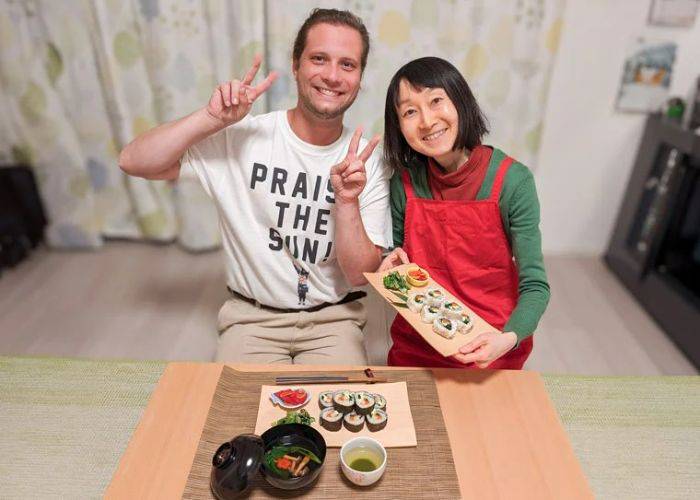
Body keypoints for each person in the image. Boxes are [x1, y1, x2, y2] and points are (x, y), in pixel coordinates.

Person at [119, 9, 392, 365]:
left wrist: (346, 201)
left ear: (359, 77)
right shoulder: (245, 138)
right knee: (238, 417)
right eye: (319, 59)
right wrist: (210, 119)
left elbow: (360, 273)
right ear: (296, 65)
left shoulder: (367, 161)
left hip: (334, 322)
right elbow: (134, 161)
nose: (331, 75)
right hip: (251, 319)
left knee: (334, 416)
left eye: (347, 65)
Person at [378, 57, 550, 369]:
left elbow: (535, 285)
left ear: (461, 102)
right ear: (399, 127)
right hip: (417, 343)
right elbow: (396, 259)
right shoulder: (403, 183)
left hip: (492, 342)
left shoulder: (513, 181)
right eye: (410, 111)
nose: (427, 121)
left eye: (436, 101)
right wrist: (389, 265)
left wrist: (507, 338)